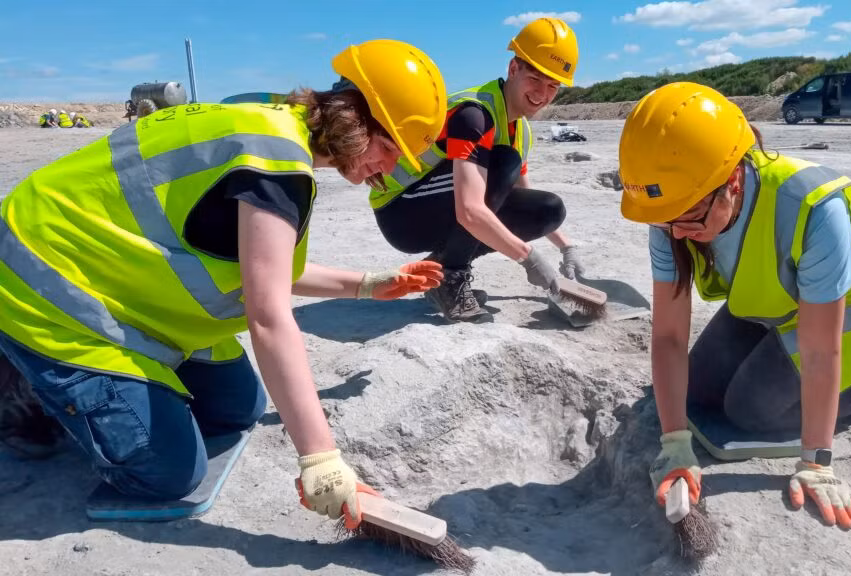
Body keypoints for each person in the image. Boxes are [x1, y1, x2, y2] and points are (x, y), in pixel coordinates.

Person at [0, 39, 448, 529]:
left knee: (238, 408)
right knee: (168, 473)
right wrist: (320, 458)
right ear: (355, 117)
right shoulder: (275, 162)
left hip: (121, 285)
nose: (389, 168)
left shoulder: (274, 129)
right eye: (389, 148)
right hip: (44, 283)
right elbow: (268, 316)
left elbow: (267, 269)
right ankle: (22, 386)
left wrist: (368, 284)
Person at [617, 83, 851, 531]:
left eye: (690, 219)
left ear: (733, 181)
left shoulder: (813, 209)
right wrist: (674, 444)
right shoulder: (671, 210)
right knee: (696, 391)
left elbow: (820, 351)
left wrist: (816, 462)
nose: (677, 234)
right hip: (786, 292)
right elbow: (668, 336)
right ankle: (804, 354)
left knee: (750, 408)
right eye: (667, 221)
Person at [368, 17, 587, 322]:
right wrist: (529, 259)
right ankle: (450, 277)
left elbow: (523, 197)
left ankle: (439, 268)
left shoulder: (520, 131)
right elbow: (470, 210)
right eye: (535, 79)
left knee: (547, 209)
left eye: (552, 86)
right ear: (514, 68)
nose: (542, 93)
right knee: (503, 162)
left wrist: (566, 248)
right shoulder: (475, 114)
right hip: (402, 210)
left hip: (436, 206)